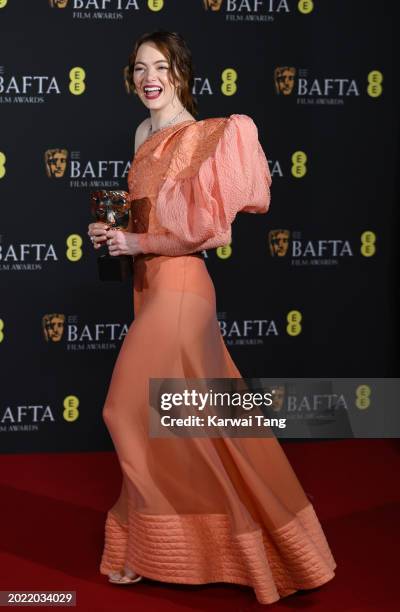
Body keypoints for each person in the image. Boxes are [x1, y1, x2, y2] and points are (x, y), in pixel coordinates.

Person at [87, 30, 336, 605]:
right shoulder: (142, 133)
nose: (150, 78)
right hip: (149, 288)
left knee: (124, 409)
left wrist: (137, 239)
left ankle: (146, 542)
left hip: (181, 287)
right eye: (140, 68)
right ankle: (225, 546)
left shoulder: (205, 136)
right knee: (203, 418)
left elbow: (206, 235)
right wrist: (113, 236)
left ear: (181, 74)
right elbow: (142, 221)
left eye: (162, 67)